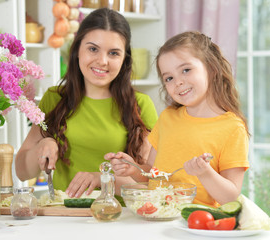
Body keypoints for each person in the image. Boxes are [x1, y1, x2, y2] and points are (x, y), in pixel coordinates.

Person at [15, 8, 158, 199]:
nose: (102, 61)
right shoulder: (54, 99)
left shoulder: (140, 105)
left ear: (124, 60)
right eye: (93, 49)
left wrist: (102, 179)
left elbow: (152, 181)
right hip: (66, 217)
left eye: (114, 53)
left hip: (120, 217)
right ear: (77, 51)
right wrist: (42, 146)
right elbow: (22, 172)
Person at [106, 31, 250, 207]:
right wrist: (134, 169)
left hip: (197, 226)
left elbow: (230, 198)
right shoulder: (168, 117)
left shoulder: (232, 128)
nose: (178, 82)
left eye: (186, 70)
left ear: (212, 69)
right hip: (156, 215)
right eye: (169, 78)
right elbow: (152, 172)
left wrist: (205, 173)